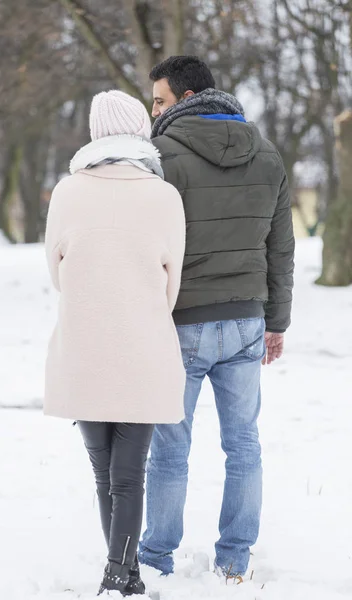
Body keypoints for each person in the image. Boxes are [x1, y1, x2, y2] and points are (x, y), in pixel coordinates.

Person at [139, 56, 295, 580]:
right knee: (244, 444)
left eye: (158, 99)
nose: (152, 109)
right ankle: (235, 561)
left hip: (181, 323)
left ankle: (156, 558)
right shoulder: (268, 153)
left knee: (168, 450)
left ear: (184, 99)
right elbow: (281, 249)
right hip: (247, 322)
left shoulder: (160, 155)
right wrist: (278, 322)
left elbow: (147, 247)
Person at [44, 90, 186, 596]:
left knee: (102, 472)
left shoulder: (66, 191)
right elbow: (173, 281)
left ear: (93, 134)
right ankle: (122, 573)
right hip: (143, 347)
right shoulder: (163, 195)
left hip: (84, 346)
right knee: (130, 475)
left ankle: (121, 574)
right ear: (139, 134)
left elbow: (56, 271)